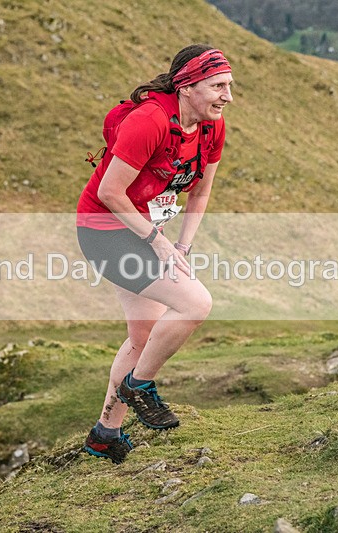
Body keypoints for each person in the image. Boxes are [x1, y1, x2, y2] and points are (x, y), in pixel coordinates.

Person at [76, 44, 234, 464]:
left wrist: (182, 245)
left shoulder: (210, 126)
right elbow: (110, 192)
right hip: (105, 231)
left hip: (145, 230)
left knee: (142, 335)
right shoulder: (148, 122)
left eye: (229, 86)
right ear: (186, 86)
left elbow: (200, 191)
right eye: (218, 86)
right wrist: (158, 242)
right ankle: (140, 385)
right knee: (196, 302)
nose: (227, 96)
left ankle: (104, 433)